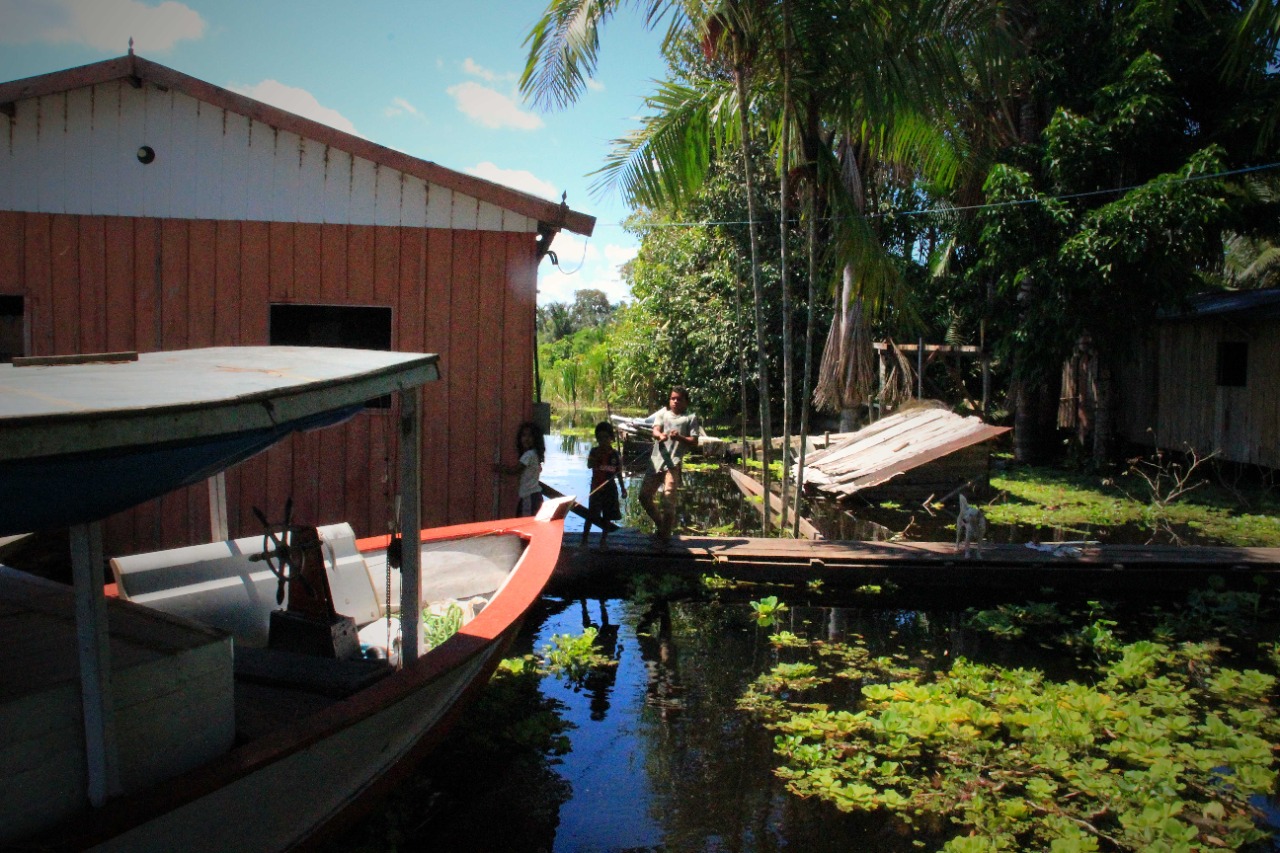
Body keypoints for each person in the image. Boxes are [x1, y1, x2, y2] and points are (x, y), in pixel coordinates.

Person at [639, 386, 703, 542]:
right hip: (656, 462)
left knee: (668, 503)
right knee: (644, 497)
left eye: (679, 399)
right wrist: (660, 435)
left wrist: (679, 438)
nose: (675, 401)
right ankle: (661, 525)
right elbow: (655, 430)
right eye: (672, 398)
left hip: (673, 466)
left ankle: (664, 538)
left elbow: (694, 441)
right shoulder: (662, 414)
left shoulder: (690, 418)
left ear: (686, 402)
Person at [583, 421, 627, 550]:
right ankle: (584, 539)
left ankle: (603, 540)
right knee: (591, 514)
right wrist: (597, 459)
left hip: (610, 489)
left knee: (608, 516)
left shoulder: (615, 455)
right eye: (600, 438)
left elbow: (619, 473)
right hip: (596, 488)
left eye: (606, 437)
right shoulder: (594, 451)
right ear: (597, 438)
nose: (603, 441)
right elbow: (589, 465)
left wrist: (623, 489)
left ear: (611, 438)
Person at [493, 421, 545, 516]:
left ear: (535, 439)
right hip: (534, 496)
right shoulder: (535, 454)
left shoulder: (528, 455)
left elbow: (515, 470)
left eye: (530, 436)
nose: (526, 439)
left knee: (525, 522)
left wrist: (500, 468)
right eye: (524, 436)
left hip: (529, 496)